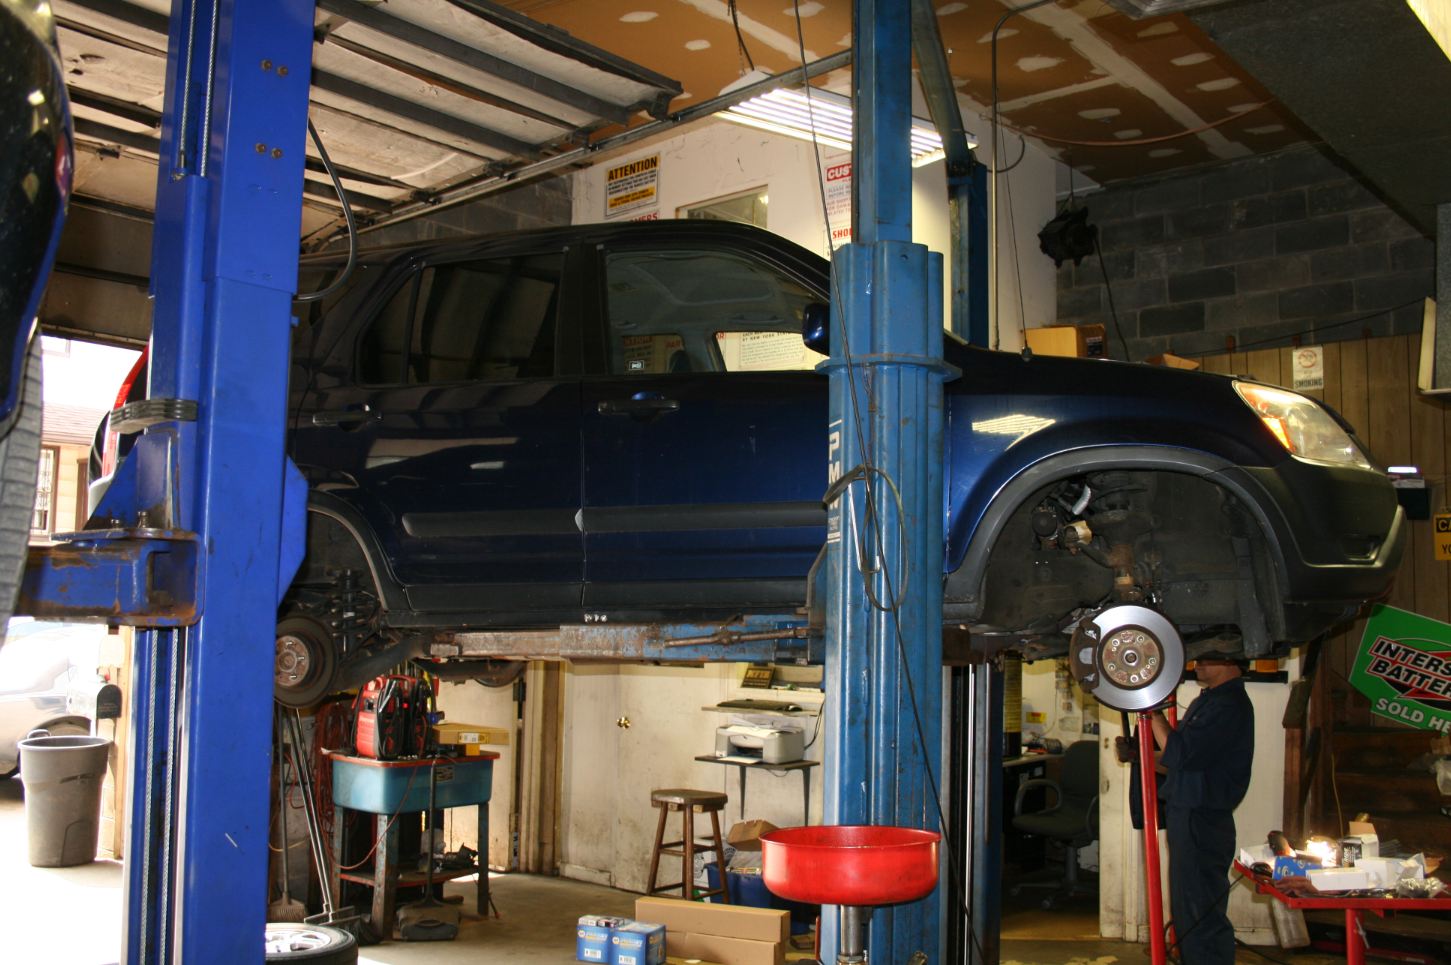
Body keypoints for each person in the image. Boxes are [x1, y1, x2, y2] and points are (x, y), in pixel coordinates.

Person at [1149, 652, 1255, 965]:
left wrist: (1151, 712)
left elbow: (1179, 753)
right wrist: (1140, 755)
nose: (1199, 664)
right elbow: (1185, 763)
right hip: (1190, 813)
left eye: (1209, 658)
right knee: (1189, 909)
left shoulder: (1227, 705)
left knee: (1199, 913)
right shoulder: (1209, 701)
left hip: (1202, 819)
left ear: (1232, 663)